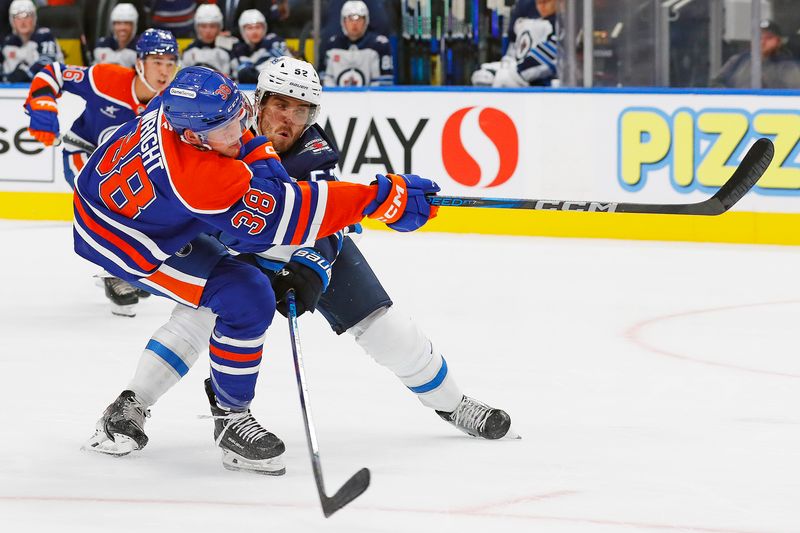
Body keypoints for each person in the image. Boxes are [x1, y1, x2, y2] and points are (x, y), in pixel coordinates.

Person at [82, 58, 513, 475]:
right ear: (260, 100)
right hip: (237, 233)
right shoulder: (211, 144)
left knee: (384, 324)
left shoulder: (302, 147)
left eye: (302, 109)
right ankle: (135, 403)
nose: (290, 118)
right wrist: (382, 199)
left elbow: (324, 223)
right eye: (281, 105)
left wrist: (310, 267)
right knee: (208, 308)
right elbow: (278, 213)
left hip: (291, 239)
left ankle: (454, 403)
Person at [24, 28, 179, 316]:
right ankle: (115, 271)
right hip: (83, 153)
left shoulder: (172, 103)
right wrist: (42, 103)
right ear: (140, 63)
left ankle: (131, 264)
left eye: (171, 63)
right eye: (157, 62)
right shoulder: (106, 79)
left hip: (132, 169)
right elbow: (53, 72)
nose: (164, 71)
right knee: (108, 202)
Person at [471, 0, 557, 88]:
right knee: (483, 76)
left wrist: (516, 73)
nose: (541, 7)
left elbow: (555, 51)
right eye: (539, 3)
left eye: (545, 2)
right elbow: (514, 52)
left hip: (546, 84)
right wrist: (502, 70)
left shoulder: (565, 25)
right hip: (520, 73)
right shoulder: (523, 10)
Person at [319, 0, 393, 87]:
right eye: (350, 19)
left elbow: (385, 83)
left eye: (359, 19)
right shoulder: (332, 45)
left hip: (370, 99)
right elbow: (325, 80)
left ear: (366, 20)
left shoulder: (379, 45)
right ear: (343, 21)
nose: (354, 24)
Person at [711, 20, 800, 89]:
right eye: (758, 37)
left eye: (768, 38)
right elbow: (716, 84)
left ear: (778, 42)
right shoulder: (738, 61)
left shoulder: (788, 66)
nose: (762, 42)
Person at [1, 0, 62, 82]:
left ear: (34, 18)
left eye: (27, 15)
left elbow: (47, 63)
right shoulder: (8, 42)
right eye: (17, 17)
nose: (23, 22)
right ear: (12, 21)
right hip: (11, 91)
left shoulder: (45, 36)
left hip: (46, 89)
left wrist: (26, 74)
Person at [230, 8, 289, 83]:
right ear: (242, 31)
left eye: (258, 27)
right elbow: (234, 77)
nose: (254, 32)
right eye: (250, 28)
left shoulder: (274, 43)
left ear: (264, 28)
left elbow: (287, 69)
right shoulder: (237, 49)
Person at [182, 3, 233, 76]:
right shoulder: (189, 51)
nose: (208, 31)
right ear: (197, 28)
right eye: (203, 26)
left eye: (212, 26)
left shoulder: (229, 50)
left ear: (219, 27)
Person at [93, 3, 139, 68]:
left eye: (127, 23)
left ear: (134, 26)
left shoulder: (140, 46)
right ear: (112, 25)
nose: (122, 28)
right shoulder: (103, 44)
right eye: (118, 23)